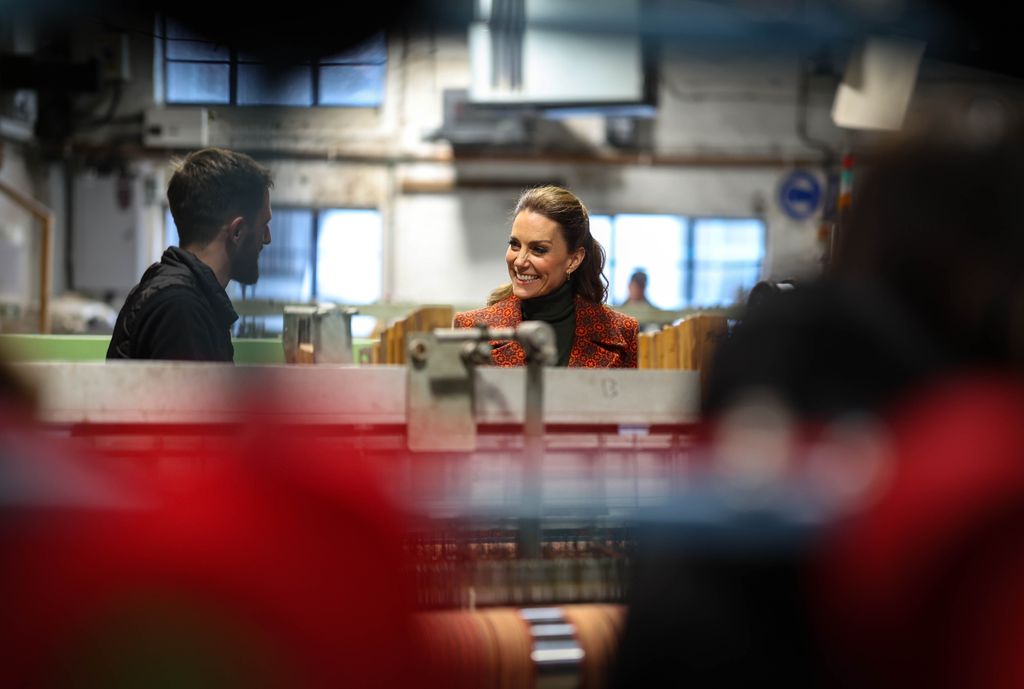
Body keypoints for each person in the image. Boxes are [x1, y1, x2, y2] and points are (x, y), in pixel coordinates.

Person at [107, 148, 273, 361]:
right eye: (263, 225)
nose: (267, 238)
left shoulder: (183, 296)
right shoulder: (181, 309)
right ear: (237, 231)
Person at [453, 186, 638, 368]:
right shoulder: (470, 329)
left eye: (538, 249)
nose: (519, 261)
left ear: (573, 260)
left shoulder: (623, 334)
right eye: (515, 244)